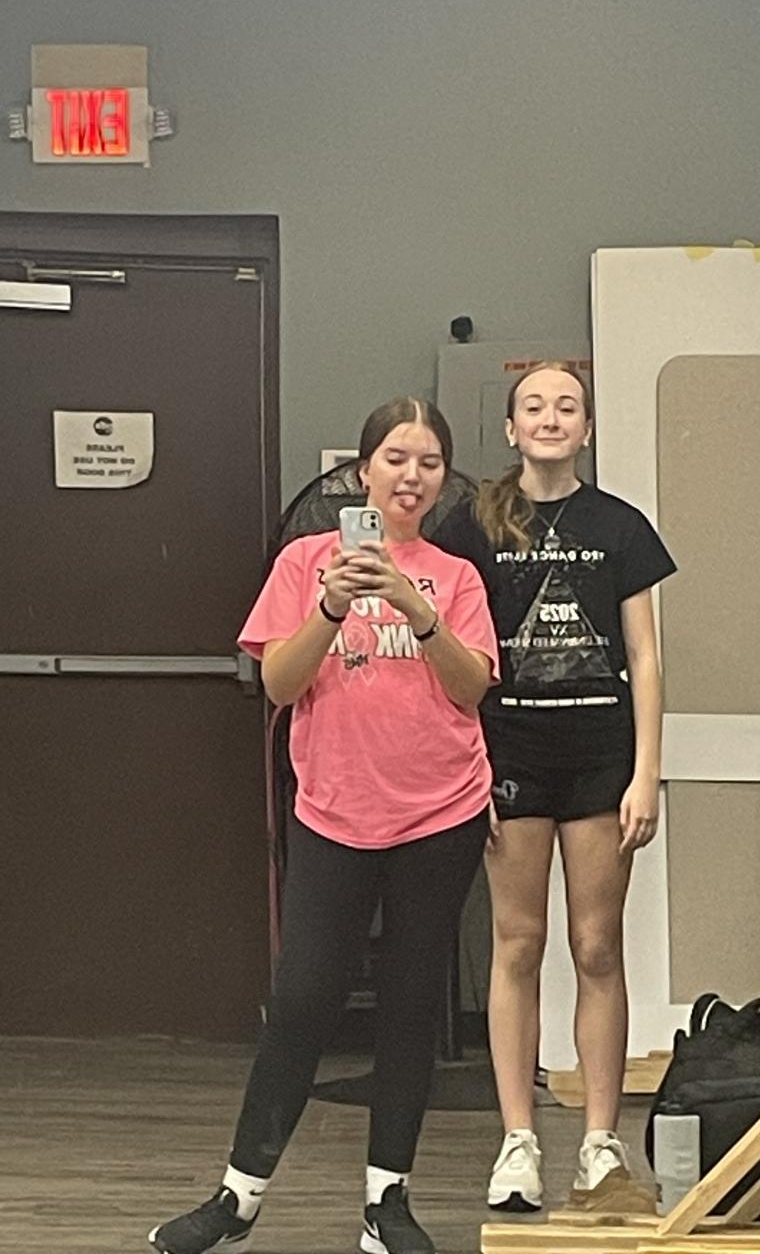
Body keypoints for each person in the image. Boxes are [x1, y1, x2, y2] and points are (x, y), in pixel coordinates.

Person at [149, 398, 499, 1254]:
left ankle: (388, 1201)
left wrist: (417, 610)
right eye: (396, 459)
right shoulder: (306, 562)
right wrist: (333, 608)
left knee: (412, 1004)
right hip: (335, 813)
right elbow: (279, 685)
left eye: (429, 464)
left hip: (441, 812)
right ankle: (237, 1198)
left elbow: (471, 689)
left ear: (444, 480)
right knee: (304, 998)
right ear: (363, 471)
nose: (411, 477)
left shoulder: (456, 576)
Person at [433, 362, 676, 1211]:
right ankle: (519, 1141)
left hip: (602, 761)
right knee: (518, 943)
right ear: (510, 428)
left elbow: (644, 656)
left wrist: (646, 772)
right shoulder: (473, 525)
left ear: (586, 428)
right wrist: (467, 769)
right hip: (510, 757)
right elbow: (452, 653)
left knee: (597, 947)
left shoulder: (621, 527)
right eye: (533, 406)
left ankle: (601, 1144)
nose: (550, 418)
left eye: (566, 406)